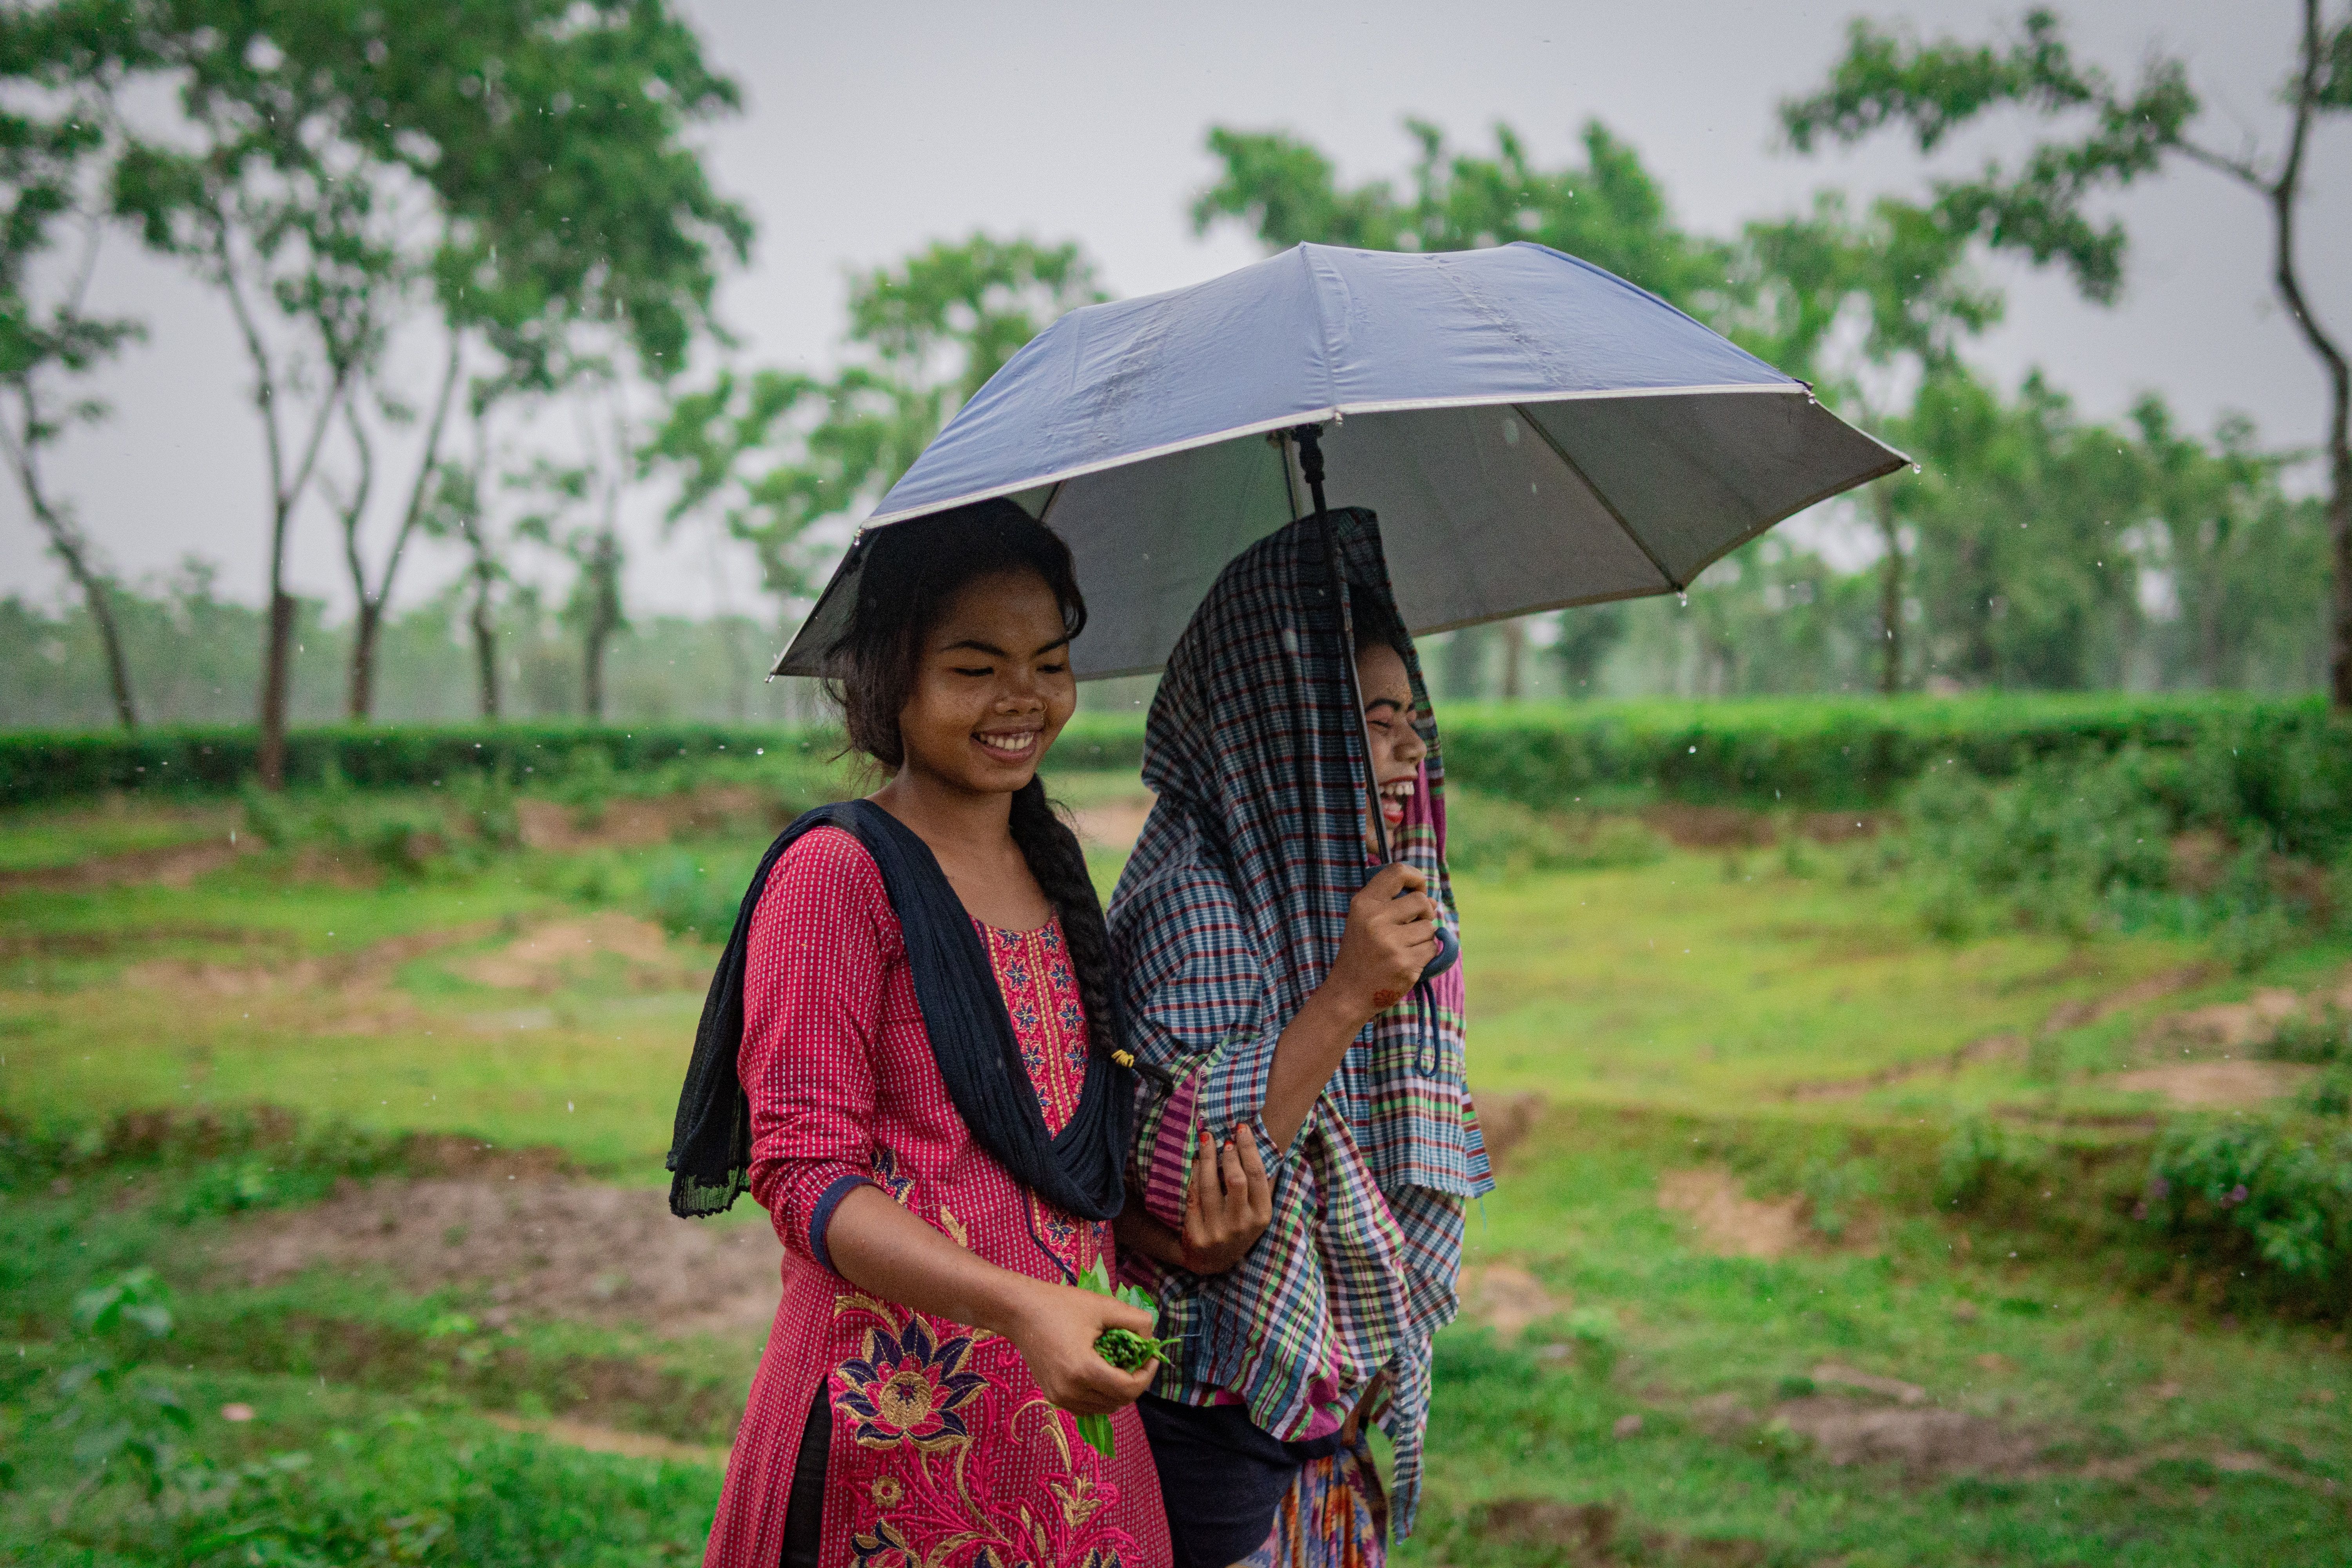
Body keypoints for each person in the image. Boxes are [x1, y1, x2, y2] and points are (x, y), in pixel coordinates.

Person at [667, 500, 1261, 1568]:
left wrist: (1177, 1247)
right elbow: (805, 1176)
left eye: (1049, 662)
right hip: (890, 1434)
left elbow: (1044, 1174)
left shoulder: (1054, 870)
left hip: (1070, 1451)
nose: (1022, 700)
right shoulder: (836, 875)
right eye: (975, 667)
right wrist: (1020, 1307)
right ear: (890, 679)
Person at [1108, 507, 1492, 1568]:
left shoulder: (1332, 884)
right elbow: (1200, 1179)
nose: (1414, 747)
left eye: (1412, 715)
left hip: (1314, 1448)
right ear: (1287, 726)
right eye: (1374, 719)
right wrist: (1345, 997)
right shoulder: (1200, 897)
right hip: (1215, 1432)